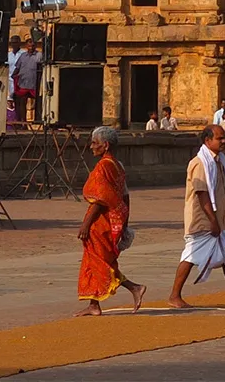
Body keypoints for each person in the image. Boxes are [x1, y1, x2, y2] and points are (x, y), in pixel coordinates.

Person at [169, 123, 225, 309]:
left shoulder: (219, 160)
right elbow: (202, 194)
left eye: (224, 138)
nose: (224, 141)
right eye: (219, 138)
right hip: (202, 219)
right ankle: (174, 295)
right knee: (191, 255)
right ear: (207, 140)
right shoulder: (200, 163)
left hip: (216, 218)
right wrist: (213, 221)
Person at [76, 126, 147, 316]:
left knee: (100, 262)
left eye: (95, 143)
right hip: (113, 220)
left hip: (101, 221)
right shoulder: (118, 166)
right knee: (95, 260)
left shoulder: (103, 167)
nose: (91, 147)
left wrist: (86, 224)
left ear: (105, 145)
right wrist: (123, 222)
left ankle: (134, 287)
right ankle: (94, 304)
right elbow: (125, 196)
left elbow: (99, 200)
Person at [11, 37, 43, 125]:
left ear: (35, 46)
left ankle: (39, 121)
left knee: (39, 103)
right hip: (23, 84)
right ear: (26, 46)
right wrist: (13, 75)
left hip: (35, 84)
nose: (31, 47)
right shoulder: (22, 56)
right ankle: (22, 122)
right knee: (21, 103)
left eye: (33, 46)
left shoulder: (39, 55)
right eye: (29, 46)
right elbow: (17, 68)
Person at [5, 34, 23, 100]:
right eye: (12, 43)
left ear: (19, 43)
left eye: (16, 42)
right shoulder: (8, 55)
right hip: (10, 83)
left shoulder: (24, 54)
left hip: (21, 83)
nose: (14, 45)